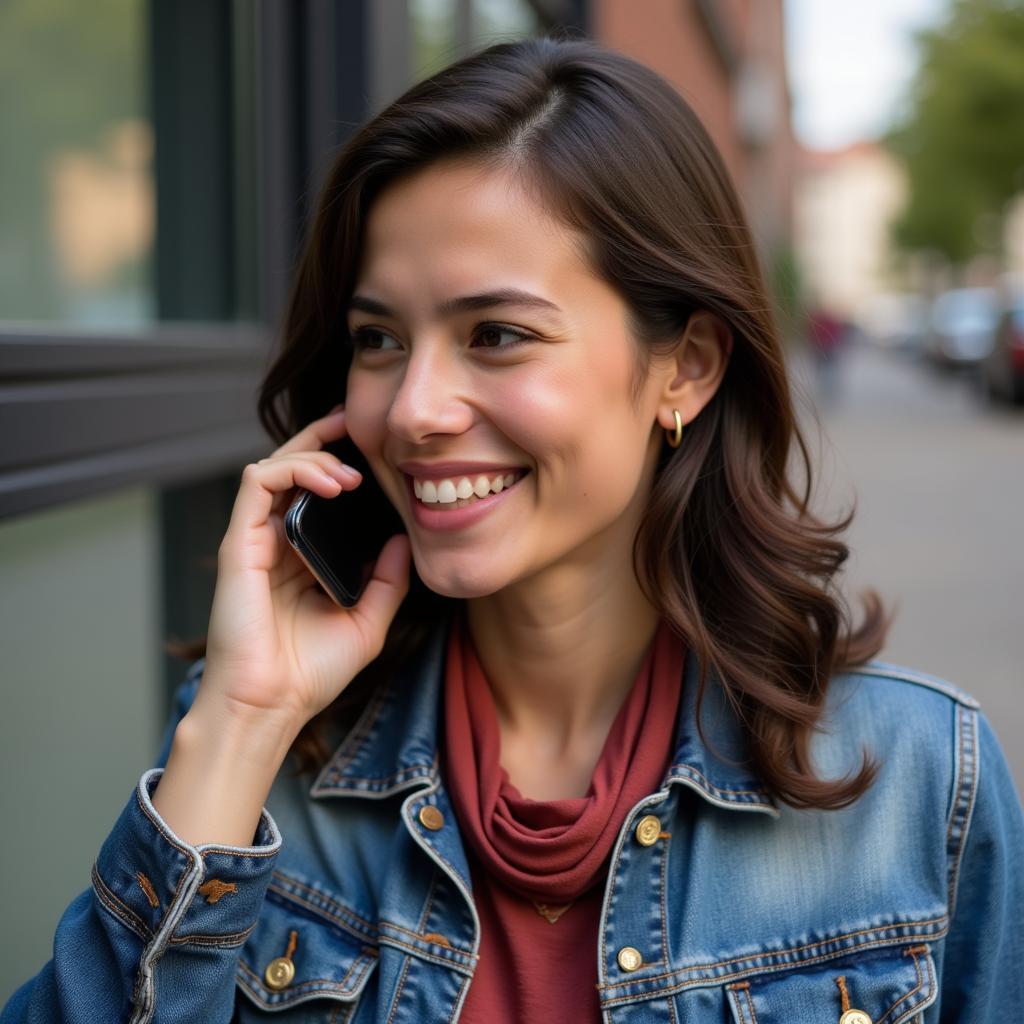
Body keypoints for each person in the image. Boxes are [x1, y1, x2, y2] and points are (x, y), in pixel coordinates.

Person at [4, 35, 1022, 1024]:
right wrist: (237, 722)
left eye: (497, 335)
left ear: (687, 368)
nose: (412, 410)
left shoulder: (919, 783)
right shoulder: (262, 756)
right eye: (378, 339)